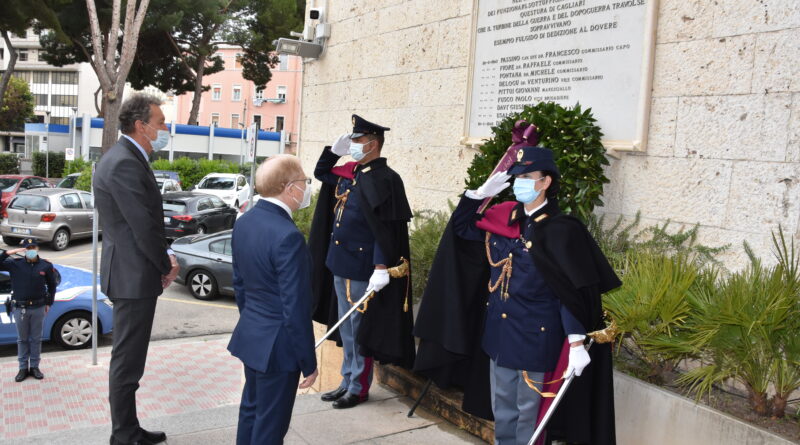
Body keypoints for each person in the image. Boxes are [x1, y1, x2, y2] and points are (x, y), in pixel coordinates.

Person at [413, 146, 621, 445]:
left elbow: (570, 292)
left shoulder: (562, 229)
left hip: (536, 335)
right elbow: (461, 229)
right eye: (516, 177)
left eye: (526, 176)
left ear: (545, 182)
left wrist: (576, 341)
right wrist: (477, 195)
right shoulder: (502, 217)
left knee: (528, 413)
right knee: (503, 409)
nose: (519, 182)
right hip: (499, 331)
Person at [309, 114, 415, 409]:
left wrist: (381, 267)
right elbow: (321, 173)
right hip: (339, 264)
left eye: (357, 141)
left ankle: (358, 387)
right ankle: (346, 380)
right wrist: (333, 151)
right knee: (346, 329)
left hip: (362, 268)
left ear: (373, 144)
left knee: (360, 330)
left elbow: (386, 228)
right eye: (352, 141)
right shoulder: (352, 174)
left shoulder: (386, 179)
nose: (353, 145)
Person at [94, 93, 179, 445]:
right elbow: (142, 225)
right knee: (128, 362)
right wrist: (166, 263)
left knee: (130, 361)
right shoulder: (124, 161)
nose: (163, 128)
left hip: (131, 273)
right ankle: (124, 434)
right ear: (141, 125)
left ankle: (128, 428)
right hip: (132, 277)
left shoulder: (126, 156)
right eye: (159, 123)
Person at [227, 155, 318, 445]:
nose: (305, 189)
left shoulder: (245, 222)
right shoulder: (288, 236)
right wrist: (308, 361)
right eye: (304, 182)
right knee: (271, 427)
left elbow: (240, 286)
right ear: (290, 188)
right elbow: (296, 308)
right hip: (279, 348)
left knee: (251, 412)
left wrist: (255, 324)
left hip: (253, 337)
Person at [0, 238, 57, 382]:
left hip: (38, 307)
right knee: (22, 339)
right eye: (28, 248)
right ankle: (23, 368)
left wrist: (49, 303)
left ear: (37, 248)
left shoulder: (45, 265)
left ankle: (35, 367)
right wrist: (8, 252)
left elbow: (52, 285)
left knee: (36, 339)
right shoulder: (14, 264)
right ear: (24, 249)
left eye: (33, 247)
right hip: (20, 308)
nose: (31, 250)